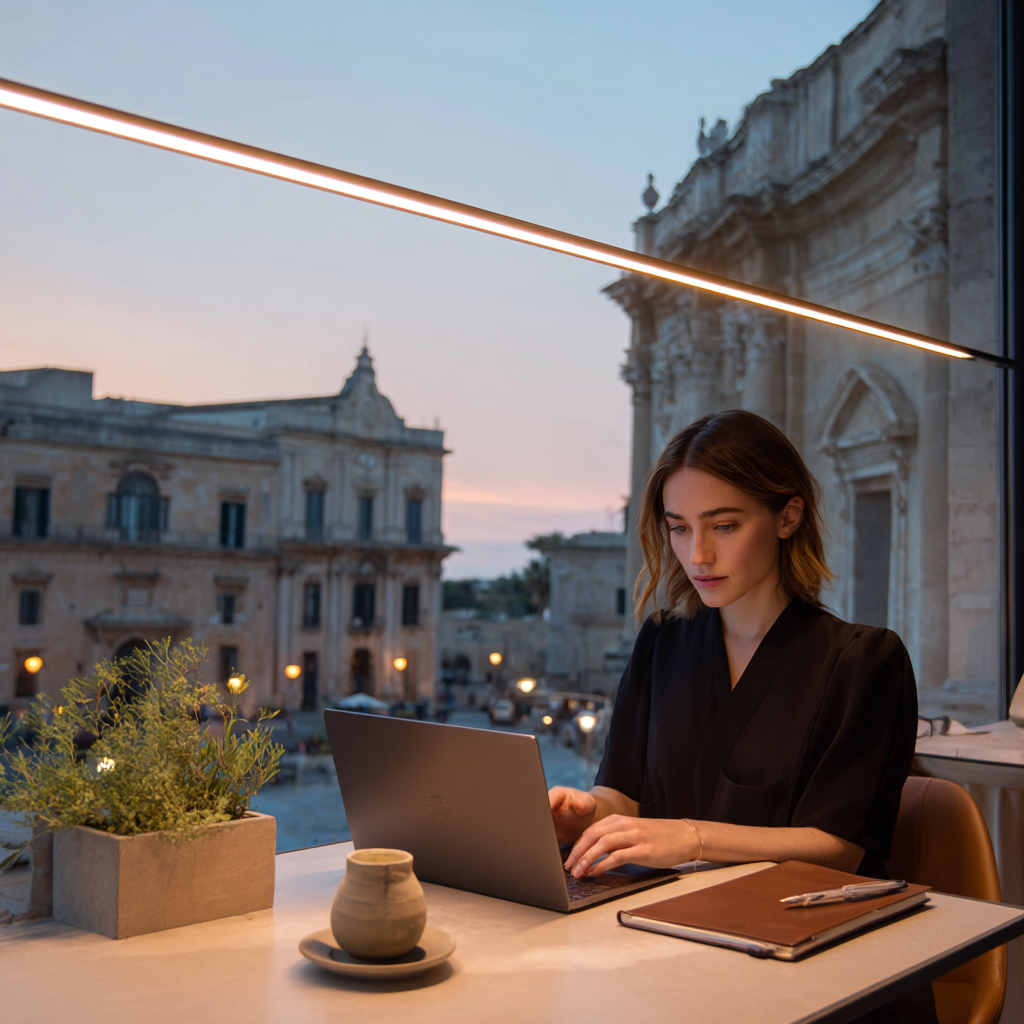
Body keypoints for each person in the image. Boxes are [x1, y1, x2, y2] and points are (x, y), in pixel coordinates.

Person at [551, 410, 917, 883]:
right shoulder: (661, 642)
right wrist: (585, 816)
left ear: (788, 516)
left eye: (723, 526)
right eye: (679, 528)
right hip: (657, 919)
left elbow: (841, 848)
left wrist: (692, 838)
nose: (698, 555)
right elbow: (622, 795)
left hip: (796, 924)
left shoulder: (864, 662)